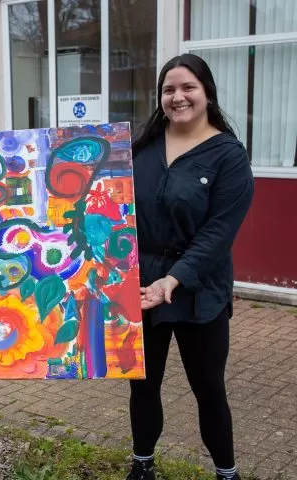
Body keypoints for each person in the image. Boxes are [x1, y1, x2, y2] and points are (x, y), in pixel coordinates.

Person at [126, 54, 254, 480]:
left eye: (187, 88)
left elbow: (218, 234)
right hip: (142, 288)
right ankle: (142, 465)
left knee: (209, 391)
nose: (177, 97)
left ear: (207, 94)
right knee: (143, 386)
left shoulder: (228, 156)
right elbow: (107, 207)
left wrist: (175, 279)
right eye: (168, 90)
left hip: (200, 291)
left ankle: (226, 472)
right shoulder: (141, 147)